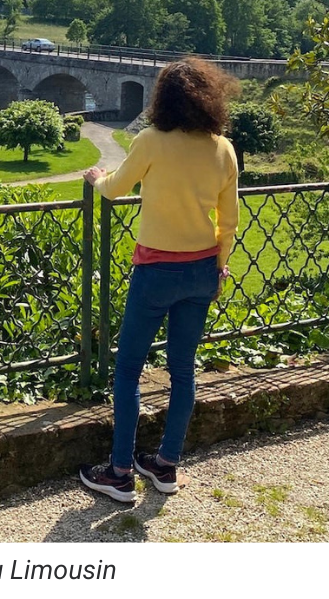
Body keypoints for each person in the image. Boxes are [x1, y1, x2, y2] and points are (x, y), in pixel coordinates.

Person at [77, 58, 239, 502]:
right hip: (202, 268)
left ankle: (120, 473)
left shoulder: (151, 141)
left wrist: (95, 178)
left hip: (156, 270)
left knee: (128, 370)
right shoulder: (222, 148)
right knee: (182, 371)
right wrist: (220, 263)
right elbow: (229, 220)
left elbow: (116, 188)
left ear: (163, 98)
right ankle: (165, 466)